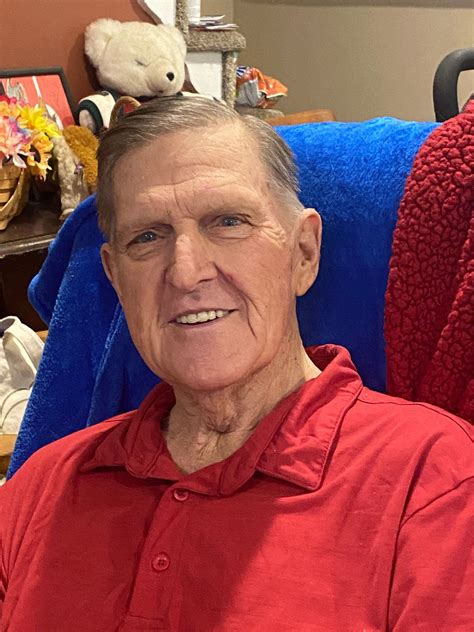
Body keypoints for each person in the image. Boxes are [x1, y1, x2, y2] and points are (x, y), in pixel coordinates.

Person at [0, 96, 472, 631]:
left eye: (228, 221)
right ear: (115, 278)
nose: (186, 273)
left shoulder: (433, 483)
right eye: (147, 236)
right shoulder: (43, 486)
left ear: (304, 253)